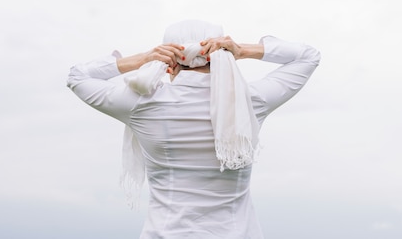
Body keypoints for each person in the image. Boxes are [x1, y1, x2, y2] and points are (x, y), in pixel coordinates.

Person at [67, 20, 320, 239]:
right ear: (221, 53)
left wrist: (143, 59)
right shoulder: (249, 101)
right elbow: (308, 56)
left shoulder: (141, 103)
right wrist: (242, 50)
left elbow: (77, 76)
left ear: (169, 60)